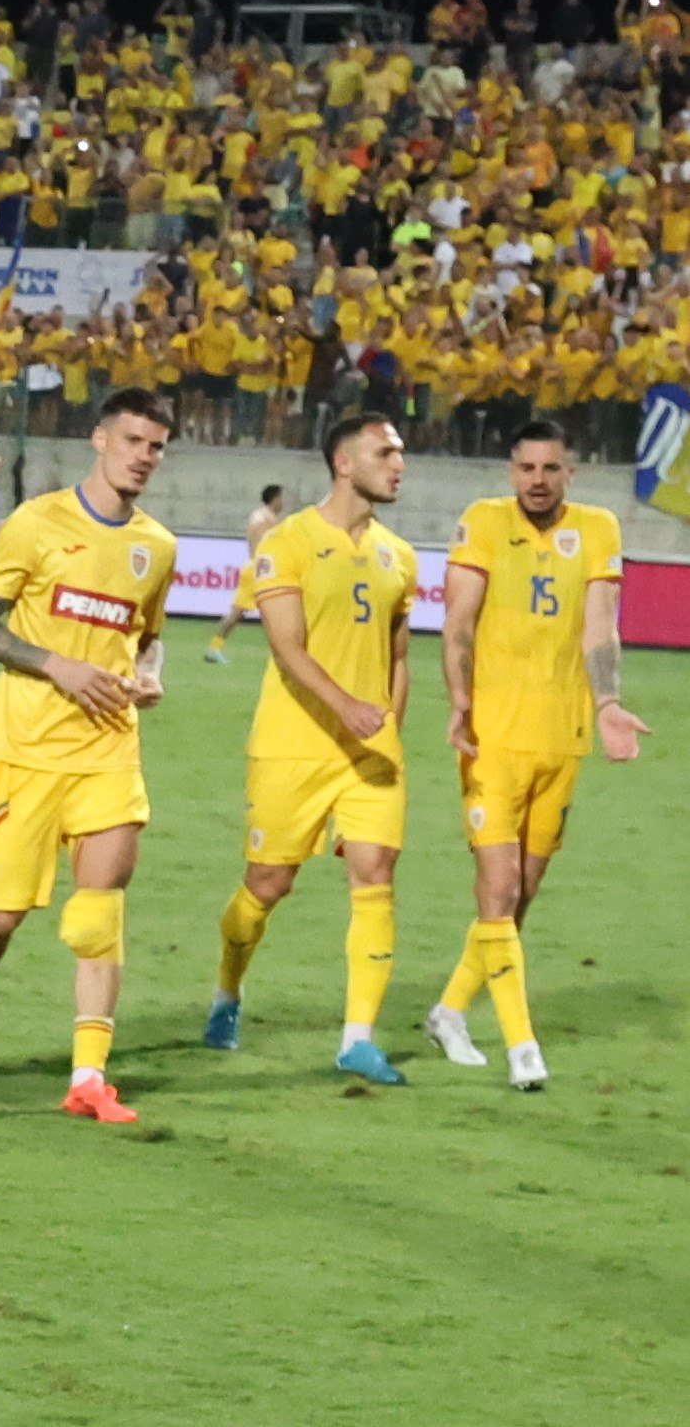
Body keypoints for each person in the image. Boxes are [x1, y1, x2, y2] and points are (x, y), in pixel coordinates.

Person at [0, 388, 178, 1120]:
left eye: (155, 445)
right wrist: (53, 664)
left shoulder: (155, 545)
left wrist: (148, 674)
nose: (143, 456)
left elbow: (146, 632)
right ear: (99, 437)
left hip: (107, 750)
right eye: (132, 440)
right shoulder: (37, 522)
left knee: (98, 913)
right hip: (24, 751)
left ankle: (88, 1078)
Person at [202, 411, 417, 1084]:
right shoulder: (286, 542)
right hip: (291, 746)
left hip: (368, 753)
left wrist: (390, 727)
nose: (398, 463)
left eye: (400, 453)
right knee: (269, 882)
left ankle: (357, 1038)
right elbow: (285, 647)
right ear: (343, 462)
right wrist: (349, 705)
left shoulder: (399, 556)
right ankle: (227, 990)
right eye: (384, 452)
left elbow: (399, 657)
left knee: (374, 875)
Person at [427, 425, 645, 1084]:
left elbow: (598, 626)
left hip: (560, 738)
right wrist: (459, 700)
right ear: (509, 471)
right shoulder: (483, 522)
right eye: (525, 466)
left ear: (569, 473)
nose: (537, 478)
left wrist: (606, 704)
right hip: (491, 737)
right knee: (496, 889)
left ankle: (448, 1011)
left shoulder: (598, 527)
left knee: (518, 897)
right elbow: (458, 622)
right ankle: (523, 1049)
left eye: (550, 466)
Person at [200, 484, 285, 661]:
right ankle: (283, 653)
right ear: (275, 499)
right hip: (260, 571)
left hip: (254, 568)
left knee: (240, 613)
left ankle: (214, 647)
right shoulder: (266, 520)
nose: (283, 503)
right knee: (275, 610)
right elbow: (264, 547)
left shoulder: (260, 516)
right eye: (281, 498)